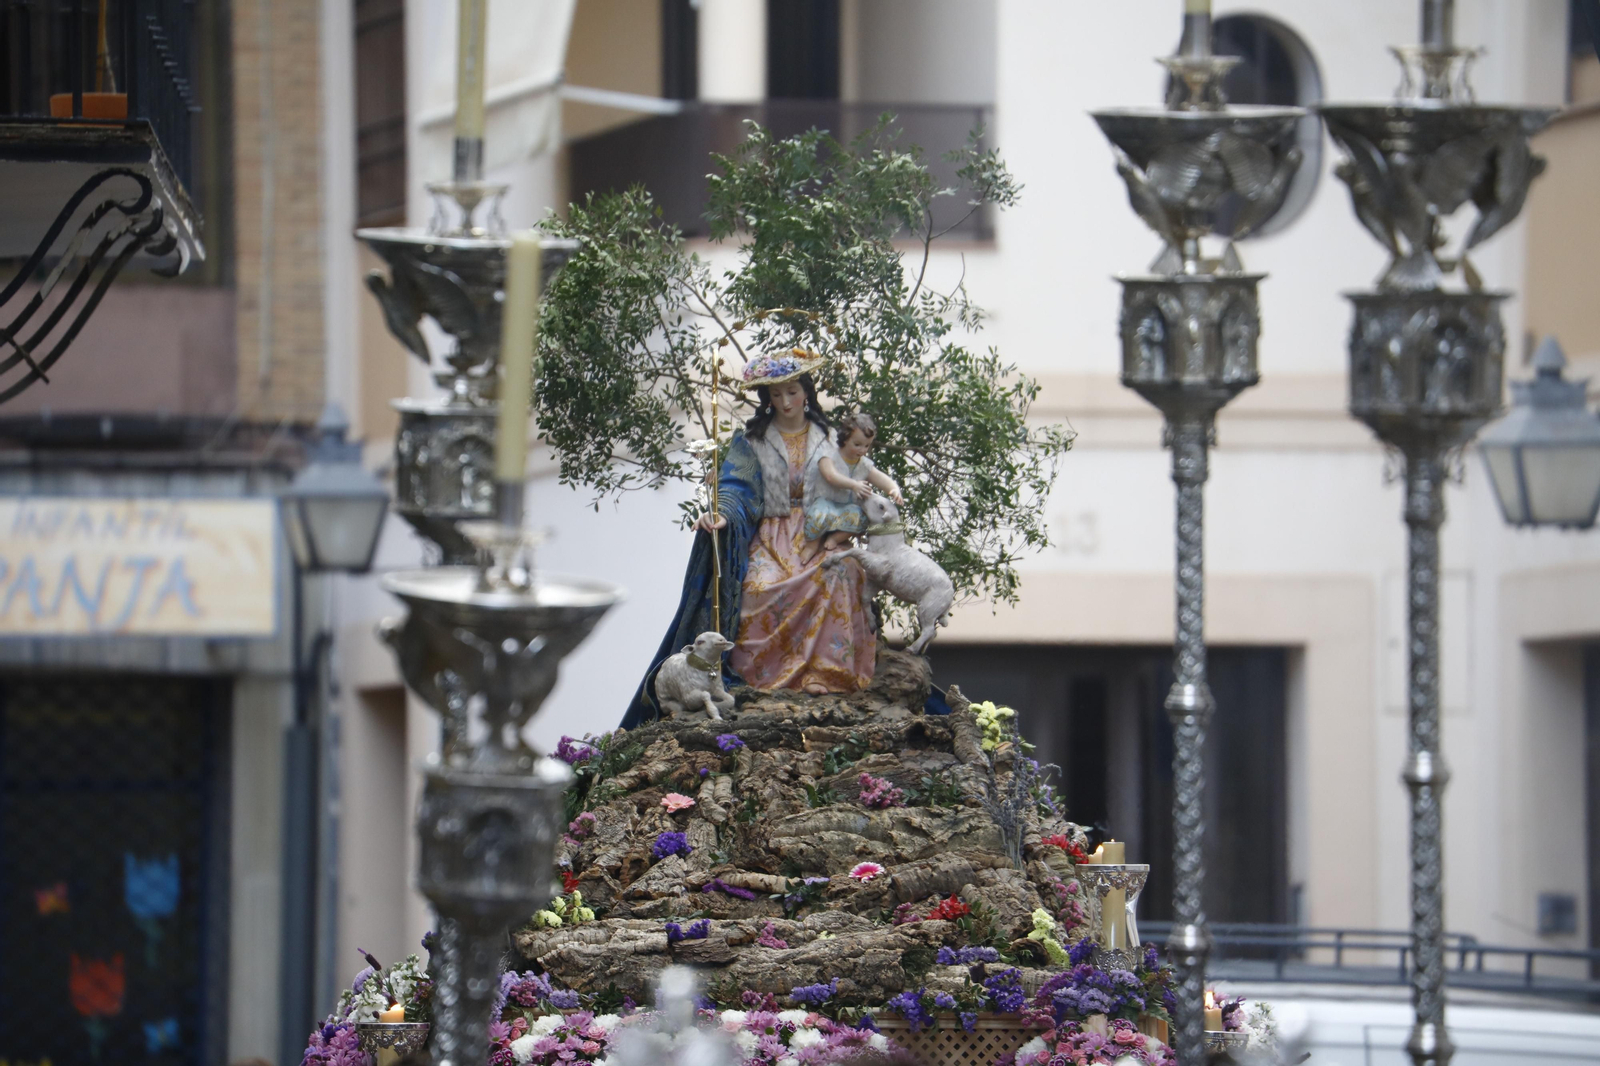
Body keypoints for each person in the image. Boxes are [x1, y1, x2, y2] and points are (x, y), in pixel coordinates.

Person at [621, 350, 877, 728]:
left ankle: (825, 673)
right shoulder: (753, 440)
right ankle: (758, 681)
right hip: (772, 536)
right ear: (767, 398)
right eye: (776, 395)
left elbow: (855, 470)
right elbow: (735, 487)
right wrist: (722, 513)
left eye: (792, 392)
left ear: (806, 392)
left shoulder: (828, 437)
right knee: (757, 587)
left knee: (840, 572)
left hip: (818, 529)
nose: (785, 402)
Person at [807, 411, 905, 551]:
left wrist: (893, 489)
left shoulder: (863, 464)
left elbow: (880, 478)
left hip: (847, 509)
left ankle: (836, 538)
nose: (862, 450)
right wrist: (853, 485)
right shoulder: (829, 455)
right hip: (826, 504)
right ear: (845, 439)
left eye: (866, 446)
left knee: (862, 519)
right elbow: (830, 476)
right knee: (816, 517)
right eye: (857, 444)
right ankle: (812, 545)